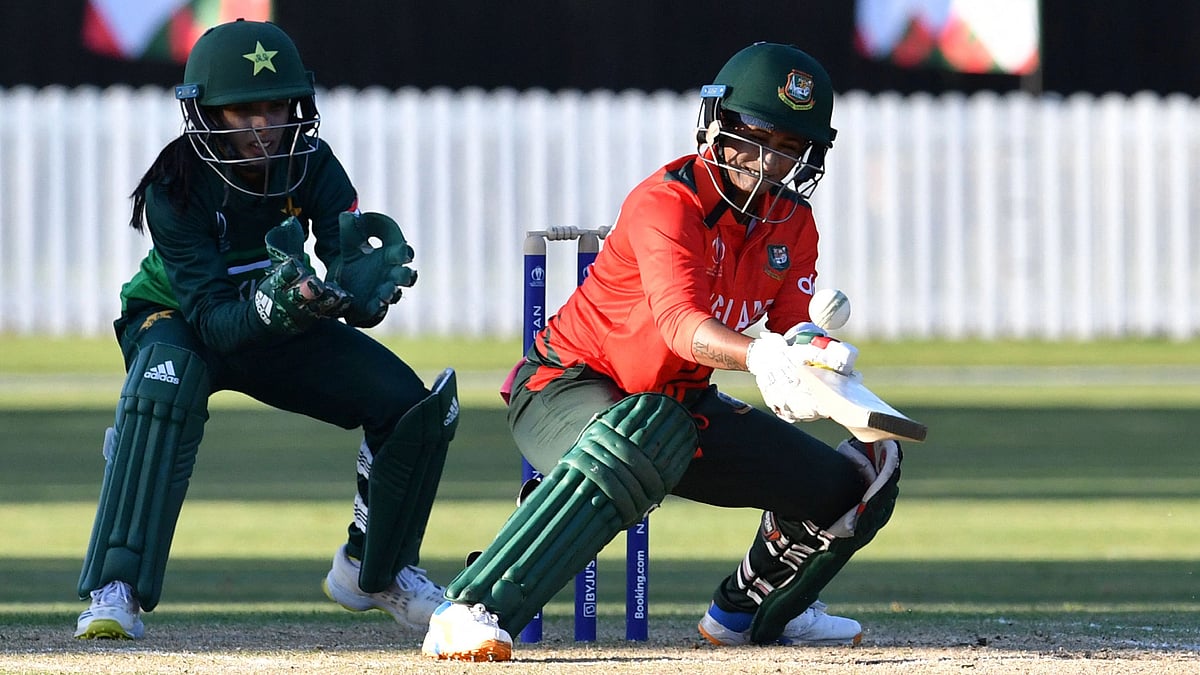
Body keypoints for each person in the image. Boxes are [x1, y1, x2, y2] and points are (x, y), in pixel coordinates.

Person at [420, 42, 902, 661]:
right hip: (564, 385)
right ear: (719, 128)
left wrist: (818, 352)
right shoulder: (666, 203)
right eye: (757, 137)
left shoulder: (793, 223)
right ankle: (469, 607)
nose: (771, 161)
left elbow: (787, 332)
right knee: (640, 433)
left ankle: (747, 611)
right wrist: (759, 358)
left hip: (680, 404)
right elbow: (679, 324)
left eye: (789, 147)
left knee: (861, 478)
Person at [74, 19, 458, 640]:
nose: (264, 127)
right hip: (179, 317)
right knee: (165, 388)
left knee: (411, 408)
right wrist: (271, 308)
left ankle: (372, 568)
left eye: (275, 105)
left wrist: (360, 294)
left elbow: (343, 265)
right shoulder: (175, 189)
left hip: (279, 313)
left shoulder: (311, 162)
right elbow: (212, 321)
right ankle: (114, 588)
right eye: (242, 110)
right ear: (205, 115)